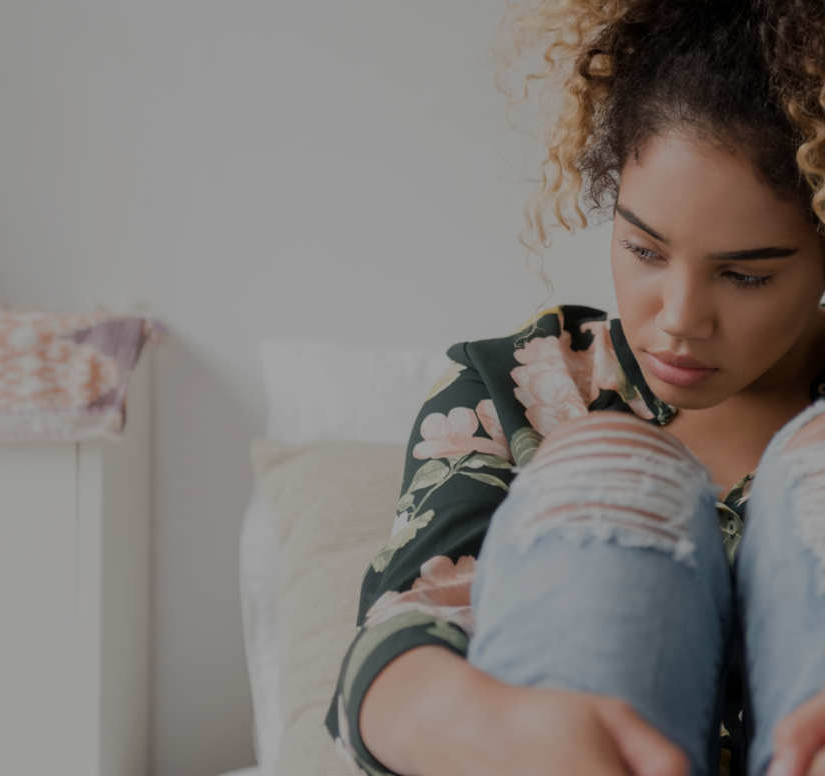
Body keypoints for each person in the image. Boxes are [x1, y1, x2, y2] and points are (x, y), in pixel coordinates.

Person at [325, 2, 825, 775]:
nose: (682, 319)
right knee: (607, 462)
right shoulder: (514, 388)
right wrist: (485, 727)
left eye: (747, 274)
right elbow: (397, 639)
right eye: (644, 249)